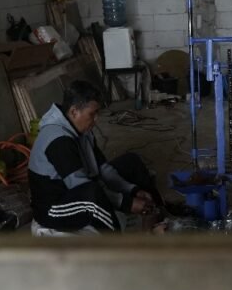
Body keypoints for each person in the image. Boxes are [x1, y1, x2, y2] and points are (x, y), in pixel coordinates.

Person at [28, 80, 163, 234]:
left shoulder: (82, 130)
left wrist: (133, 191)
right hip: (54, 208)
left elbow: (103, 168)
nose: (96, 119)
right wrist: (126, 202)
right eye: (92, 114)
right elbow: (81, 187)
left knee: (131, 161)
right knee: (93, 195)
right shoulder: (58, 140)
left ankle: (158, 212)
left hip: (79, 191)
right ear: (74, 112)